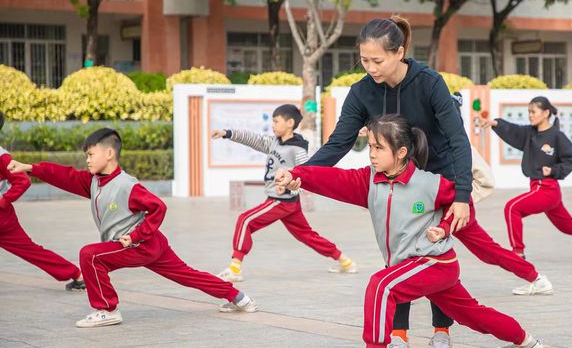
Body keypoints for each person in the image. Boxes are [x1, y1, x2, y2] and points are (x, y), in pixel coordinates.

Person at [276, 115, 546, 348]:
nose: (372, 154)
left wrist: (445, 227)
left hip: (435, 263)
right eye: (370, 146)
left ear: (402, 152)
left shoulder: (430, 183)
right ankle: (528, 342)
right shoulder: (368, 181)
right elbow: (332, 178)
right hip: (415, 267)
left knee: (382, 285)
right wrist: (296, 174)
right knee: (473, 315)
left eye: (379, 148)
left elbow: (460, 205)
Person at [9, 128, 257, 328]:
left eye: (90, 154)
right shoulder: (95, 181)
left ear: (109, 154)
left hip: (139, 244)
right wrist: (30, 168)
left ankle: (107, 309)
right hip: (151, 244)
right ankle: (240, 298)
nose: (87, 160)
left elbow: (158, 207)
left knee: (90, 255)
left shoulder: (127, 185)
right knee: (188, 275)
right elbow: (66, 176)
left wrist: (135, 236)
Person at [213, 104, 354, 282]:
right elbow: (252, 139)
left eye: (276, 121)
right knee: (308, 236)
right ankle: (345, 261)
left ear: (290, 123)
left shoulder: (298, 150)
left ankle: (234, 268)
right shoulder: (273, 143)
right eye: (272, 121)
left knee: (245, 220)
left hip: (280, 201)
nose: (273, 125)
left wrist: (288, 186)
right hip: (290, 205)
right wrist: (227, 133)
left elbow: (307, 174)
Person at [481, 96, 572, 259]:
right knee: (567, 225)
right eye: (528, 112)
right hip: (541, 189)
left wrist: (553, 170)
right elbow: (514, 130)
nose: (530, 115)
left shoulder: (556, 136)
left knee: (511, 208)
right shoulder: (530, 133)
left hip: (546, 189)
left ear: (545, 113)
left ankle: (518, 252)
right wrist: (496, 123)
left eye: (533, 112)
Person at [0, 111, 85, 291]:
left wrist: (3, 202)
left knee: (30, 250)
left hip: (2, 218)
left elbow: (22, 181)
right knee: (31, 250)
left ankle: (77, 274)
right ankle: (77, 275)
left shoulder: (2, 157)